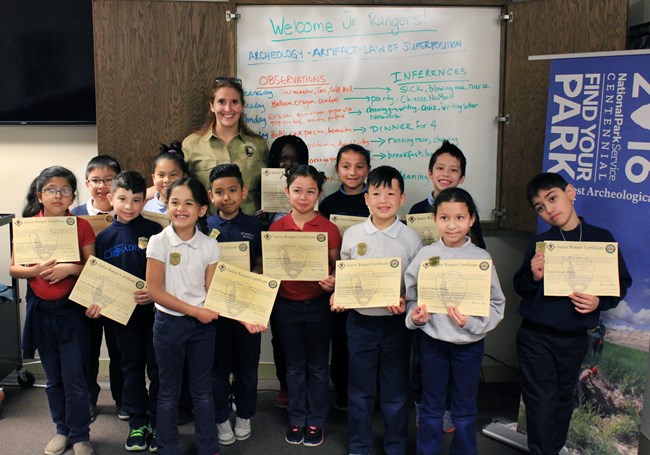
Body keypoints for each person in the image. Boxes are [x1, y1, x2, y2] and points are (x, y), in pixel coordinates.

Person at [513, 172, 632, 455]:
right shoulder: (541, 243)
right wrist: (534, 275)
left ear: (570, 192)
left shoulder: (601, 239)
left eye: (552, 199)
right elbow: (520, 286)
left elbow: (621, 283)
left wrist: (598, 301)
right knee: (539, 400)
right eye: (540, 207)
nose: (549, 210)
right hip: (535, 336)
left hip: (574, 336)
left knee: (564, 398)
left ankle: (551, 449)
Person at [405, 187, 505, 455]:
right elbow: (411, 297)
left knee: (464, 408)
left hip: (469, 346)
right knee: (431, 405)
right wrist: (415, 318)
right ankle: (427, 451)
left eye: (460, 218)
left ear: (471, 219)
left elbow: (497, 304)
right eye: (444, 217)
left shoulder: (481, 259)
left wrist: (472, 324)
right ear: (435, 219)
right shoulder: (426, 256)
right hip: (433, 343)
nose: (452, 225)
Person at [331, 166, 421, 455]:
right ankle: (359, 445)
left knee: (395, 389)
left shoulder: (411, 238)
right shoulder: (354, 234)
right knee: (360, 390)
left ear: (402, 198)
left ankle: (395, 444)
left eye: (391, 193)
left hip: (395, 324)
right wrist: (339, 294)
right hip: (360, 323)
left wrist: (405, 299)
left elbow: (416, 283)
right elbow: (344, 275)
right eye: (377, 193)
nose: (384, 200)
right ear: (366, 199)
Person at [10, 166, 96, 455]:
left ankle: (80, 434)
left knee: (75, 377)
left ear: (73, 196)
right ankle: (61, 429)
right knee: (54, 378)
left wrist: (70, 268)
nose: (58, 195)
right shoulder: (27, 225)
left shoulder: (81, 226)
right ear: (40, 195)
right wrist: (34, 269)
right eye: (51, 190)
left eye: (65, 190)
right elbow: (14, 267)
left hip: (72, 313)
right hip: (41, 314)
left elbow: (92, 267)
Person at [408, 140, 485, 433]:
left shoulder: (467, 210)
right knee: (423, 358)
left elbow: (479, 255)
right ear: (430, 172)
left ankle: (450, 410)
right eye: (440, 168)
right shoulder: (416, 209)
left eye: (453, 170)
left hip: (457, 297)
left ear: (461, 177)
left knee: (457, 361)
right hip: (427, 297)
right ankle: (424, 407)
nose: (446, 173)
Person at [85, 171, 163, 452]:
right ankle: (138, 424)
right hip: (121, 318)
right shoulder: (104, 237)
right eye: (122, 199)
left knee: (157, 369)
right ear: (110, 198)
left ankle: (157, 421)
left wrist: (154, 292)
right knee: (130, 370)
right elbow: (99, 279)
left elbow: (167, 273)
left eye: (136, 200)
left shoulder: (157, 232)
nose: (129, 206)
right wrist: (96, 304)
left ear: (145, 201)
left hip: (155, 315)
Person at [146, 177, 221, 455]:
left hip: (202, 328)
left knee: (202, 390)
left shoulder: (210, 246)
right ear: (166, 206)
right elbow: (154, 291)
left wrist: (247, 315)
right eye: (174, 202)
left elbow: (213, 292)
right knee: (168, 391)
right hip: (168, 325)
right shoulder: (158, 242)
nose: (181, 209)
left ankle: (208, 446)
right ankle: (167, 447)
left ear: (202, 210)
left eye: (189, 203)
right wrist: (195, 311)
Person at [269, 165, 342, 447]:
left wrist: (333, 280)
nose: (303, 197)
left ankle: (316, 422)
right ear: (287, 192)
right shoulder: (277, 227)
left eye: (310, 191)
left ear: (319, 194)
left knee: (318, 367)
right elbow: (271, 269)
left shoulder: (328, 228)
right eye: (297, 190)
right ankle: (297, 419)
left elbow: (336, 267)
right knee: (294, 367)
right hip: (286, 307)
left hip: (318, 306)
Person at [206, 164, 267, 446]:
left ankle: (244, 414)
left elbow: (260, 263)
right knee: (216, 369)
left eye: (232, 190)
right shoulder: (202, 226)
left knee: (246, 368)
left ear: (243, 192)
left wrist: (255, 273)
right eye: (219, 192)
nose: (226, 197)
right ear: (210, 195)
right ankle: (220, 418)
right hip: (214, 311)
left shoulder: (255, 226)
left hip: (247, 310)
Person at [70, 155, 125, 421]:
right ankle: (88, 401)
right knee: (86, 352)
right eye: (95, 181)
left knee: (120, 351)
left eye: (108, 180)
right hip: (85, 296)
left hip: (119, 295)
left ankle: (123, 400)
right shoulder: (74, 216)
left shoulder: (127, 213)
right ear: (86, 183)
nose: (102, 186)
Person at [319, 143, 371, 412]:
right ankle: (341, 390)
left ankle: (366, 392)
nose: (353, 172)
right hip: (337, 285)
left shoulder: (374, 200)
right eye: (346, 166)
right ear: (337, 170)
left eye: (359, 166)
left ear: (368, 170)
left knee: (366, 341)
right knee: (340, 340)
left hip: (369, 283)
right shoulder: (328, 204)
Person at [265, 134, 310, 407]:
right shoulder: (264, 190)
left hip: (306, 274)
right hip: (277, 274)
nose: (288, 163)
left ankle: (306, 387)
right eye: (283, 158)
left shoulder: (309, 188)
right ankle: (284, 384)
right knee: (281, 337)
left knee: (307, 340)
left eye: (293, 158)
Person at [182, 77, 269, 215]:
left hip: (250, 228)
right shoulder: (192, 144)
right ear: (212, 106)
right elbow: (175, 185)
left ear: (242, 106)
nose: (228, 108)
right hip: (206, 229)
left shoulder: (259, 145)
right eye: (221, 102)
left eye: (234, 102)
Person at [143, 142, 188, 214]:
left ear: (184, 177)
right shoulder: (145, 207)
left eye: (173, 175)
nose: (167, 180)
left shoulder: (191, 207)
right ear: (153, 178)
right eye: (161, 175)